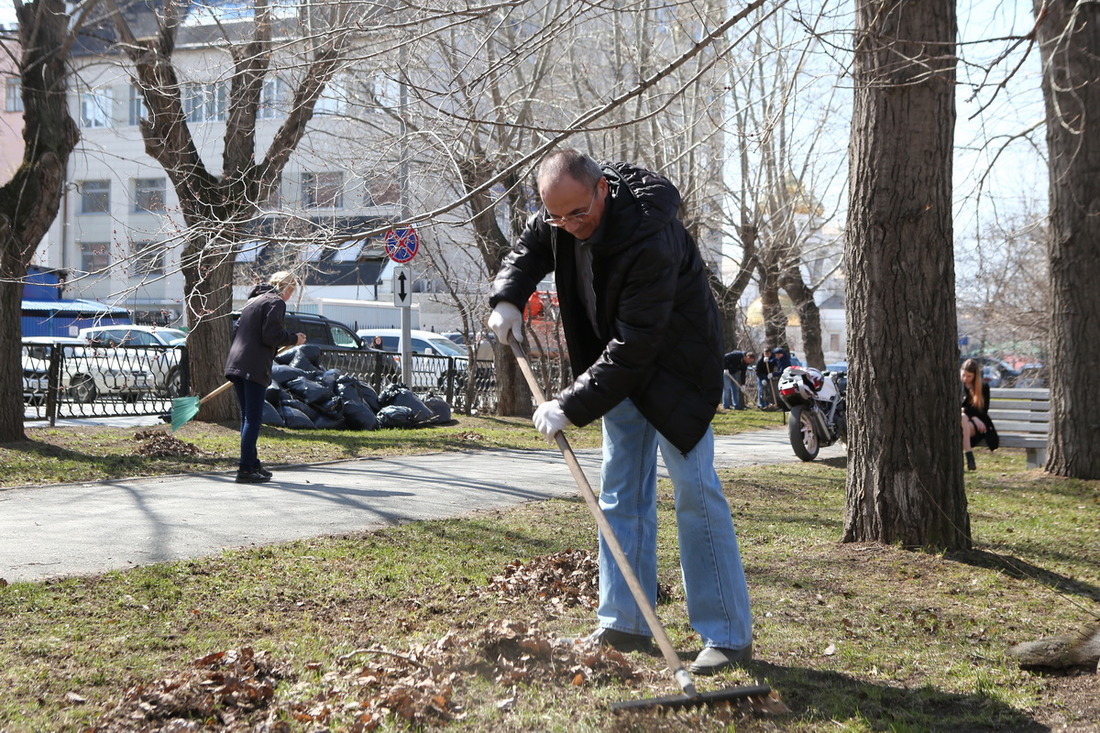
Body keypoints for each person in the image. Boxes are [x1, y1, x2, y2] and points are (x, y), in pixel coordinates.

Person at [488, 148, 753, 675]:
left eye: (577, 215)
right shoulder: (563, 212)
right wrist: (509, 296)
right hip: (617, 370)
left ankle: (726, 633)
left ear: (602, 189)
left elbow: (636, 346)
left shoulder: (650, 237)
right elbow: (529, 248)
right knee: (620, 496)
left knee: (696, 495)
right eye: (556, 216)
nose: (567, 226)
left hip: (674, 370)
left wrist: (570, 403)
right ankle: (624, 621)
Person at [224, 271, 306, 483]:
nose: (290, 296)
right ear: (287, 289)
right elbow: (271, 335)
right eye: (292, 291)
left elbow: (237, 333)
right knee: (252, 418)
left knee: (246, 417)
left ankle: (252, 463)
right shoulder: (275, 302)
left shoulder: (253, 301)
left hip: (236, 363)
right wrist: (294, 338)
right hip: (253, 365)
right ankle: (245, 469)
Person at [961, 357, 994, 471]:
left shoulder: (983, 387)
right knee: (962, 417)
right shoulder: (957, 385)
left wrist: (974, 418)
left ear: (975, 376)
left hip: (980, 424)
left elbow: (983, 410)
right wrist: (972, 417)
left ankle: (968, 458)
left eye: (969, 376)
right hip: (963, 423)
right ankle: (969, 456)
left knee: (962, 420)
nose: (965, 378)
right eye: (963, 375)